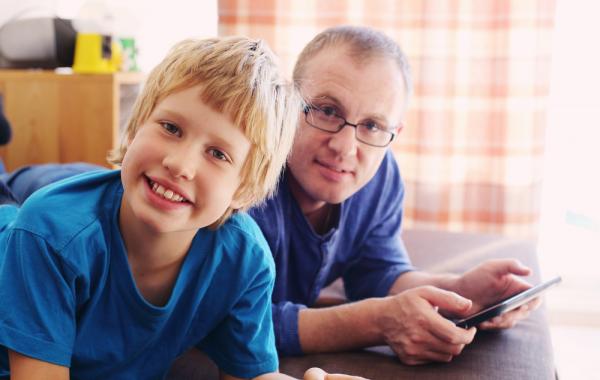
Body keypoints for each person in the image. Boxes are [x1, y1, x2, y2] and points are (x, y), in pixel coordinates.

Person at [1, 26, 541, 367]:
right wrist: (377, 320)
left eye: (374, 125)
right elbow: (256, 319)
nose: (346, 145)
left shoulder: (254, 229)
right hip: (38, 198)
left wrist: (456, 293)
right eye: (327, 111)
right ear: (290, 118)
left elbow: (377, 273)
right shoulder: (225, 192)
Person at [0, 36, 355, 380]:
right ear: (135, 127)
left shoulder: (245, 260)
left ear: (244, 190)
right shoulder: (47, 233)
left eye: (218, 154)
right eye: (170, 128)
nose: (180, 164)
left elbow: (251, 374)